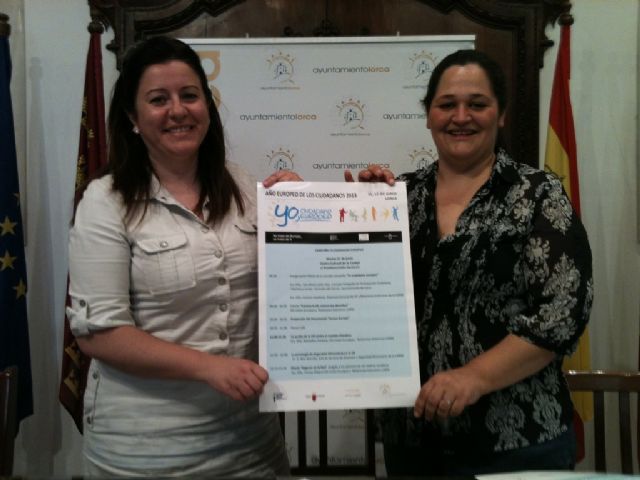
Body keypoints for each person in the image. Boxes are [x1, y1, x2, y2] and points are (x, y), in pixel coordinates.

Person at [346, 49, 593, 475]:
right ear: (429, 115)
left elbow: (562, 314)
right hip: (415, 441)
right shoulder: (399, 198)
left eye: (477, 104)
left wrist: (473, 376)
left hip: (519, 442)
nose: (461, 117)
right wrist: (350, 215)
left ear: (501, 115)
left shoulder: (538, 194)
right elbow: (360, 300)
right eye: (447, 105)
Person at [66, 36, 300, 478]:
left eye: (189, 95)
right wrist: (210, 368)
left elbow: (294, 287)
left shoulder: (246, 188)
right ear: (133, 117)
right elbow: (100, 335)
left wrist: (313, 210)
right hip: (147, 451)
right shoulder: (105, 201)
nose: (178, 110)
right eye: (158, 100)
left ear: (207, 106)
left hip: (251, 445)